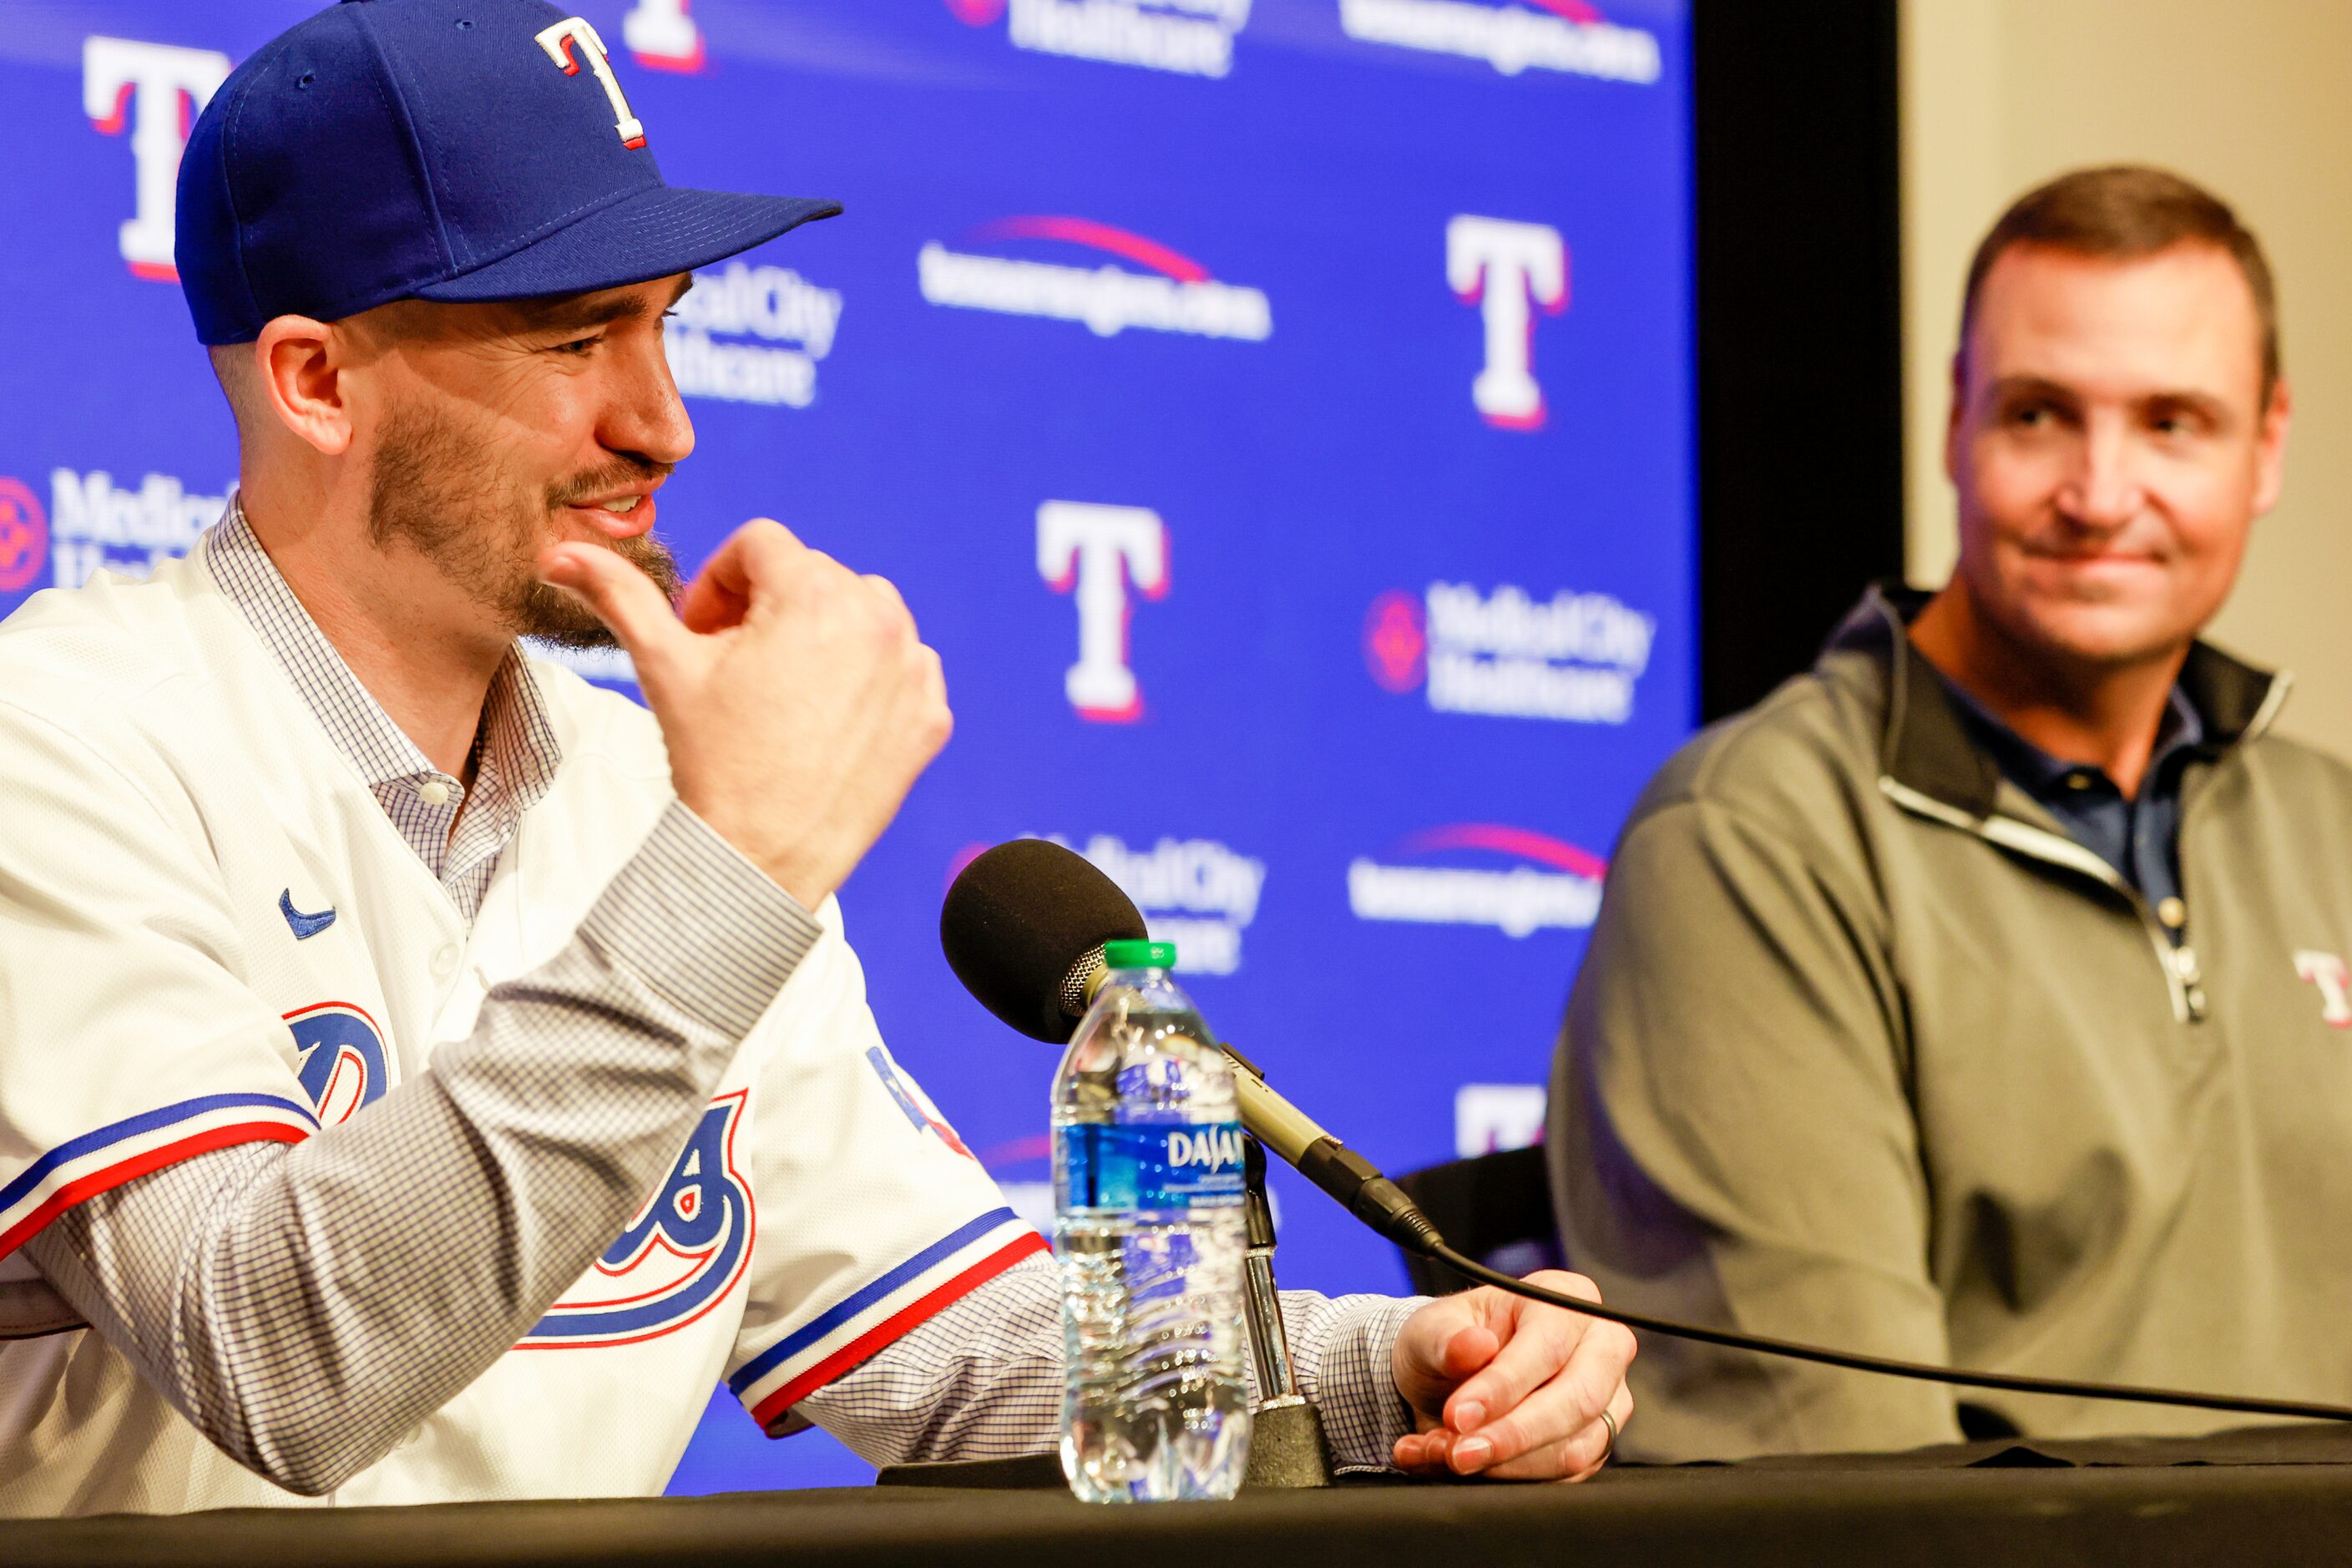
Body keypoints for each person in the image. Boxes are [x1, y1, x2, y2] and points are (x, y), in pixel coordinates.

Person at [0, 0, 1634, 1516]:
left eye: (664, 328)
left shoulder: (649, 789)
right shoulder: (64, 741)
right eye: (575, 343)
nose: (662, 422)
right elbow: (281, 1362)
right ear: (314, 381)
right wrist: (736, 870)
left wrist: (1390, 1371)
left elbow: (924, 1337)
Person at [1549, 164, 2339, 1461]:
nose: (2098, 491)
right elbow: (1852, 1490)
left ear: (2264, 447)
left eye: (2171, 422)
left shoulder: (2331, 829)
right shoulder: (1750, 843)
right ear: (1954, 421)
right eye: (2038, 414)